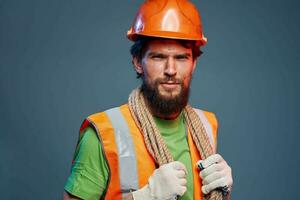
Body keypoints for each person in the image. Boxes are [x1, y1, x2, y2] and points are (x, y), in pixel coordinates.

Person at [63, 0, 233, 200]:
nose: (171, 70)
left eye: (181, 58)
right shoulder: (103, 133)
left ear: (194, 63)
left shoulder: (206, 125)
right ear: (137, 62)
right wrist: (145, 197)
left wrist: (223, 191)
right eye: (158, 57)